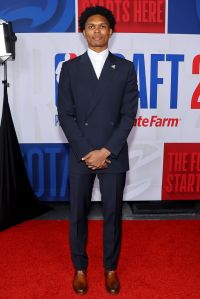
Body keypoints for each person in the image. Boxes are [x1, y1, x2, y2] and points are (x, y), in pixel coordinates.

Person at [58, 5, 138, 295]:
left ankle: (111, 268)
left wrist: (107, 150)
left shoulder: (125, 68)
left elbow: (129, 114)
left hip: (113, 155)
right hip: (82, 154)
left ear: (111, 31)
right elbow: (65, 114)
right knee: (78, 213)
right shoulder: (69, 69)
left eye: (102, 26)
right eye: (91, 26)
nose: (97, 31)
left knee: (113, 214)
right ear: (83, 32)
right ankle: (80, 267)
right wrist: (87, 150)